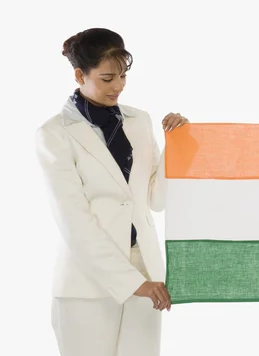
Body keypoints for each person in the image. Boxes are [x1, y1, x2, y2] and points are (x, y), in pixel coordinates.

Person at [35, 28, 188, 356]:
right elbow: (74, 223)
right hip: (86, 283)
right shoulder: (54, 134)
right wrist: (133, 283)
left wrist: (178, 145)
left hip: (148, 272)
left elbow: (157, 200)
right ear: (80, 74)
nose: (117, 86)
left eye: (122, 77)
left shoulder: (139, 121)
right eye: (107, 79)